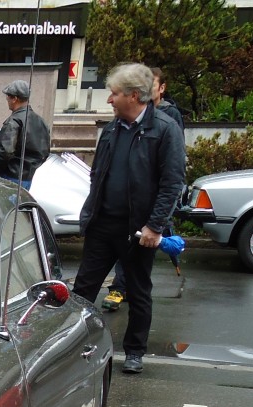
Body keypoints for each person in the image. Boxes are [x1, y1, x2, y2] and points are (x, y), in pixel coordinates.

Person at [72, 62, 186, 375]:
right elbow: (99, 176)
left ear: (134, 96)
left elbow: (172, 182)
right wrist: (89, 216)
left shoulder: (163, 130)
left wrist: (154, 226)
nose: (109, 100)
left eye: (114, 93)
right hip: (103, 223)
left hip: (138, 230)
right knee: (83, 290)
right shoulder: (111, 129)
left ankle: (134, 351)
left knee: (137, 292)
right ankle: (74, 346)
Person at [102, 66, 185, 312]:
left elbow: (172, 175)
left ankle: (135, 347)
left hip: (143, 216)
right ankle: (118, 287)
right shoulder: (116, 126)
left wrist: (157, 222)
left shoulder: (168, 122)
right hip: (112, 218)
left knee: (139, 282)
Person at [0, 80, 49, 188]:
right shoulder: (41, 121)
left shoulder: (14, 121)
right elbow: (44, 153)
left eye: (8, 96)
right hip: (27, 178)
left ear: (14, 99)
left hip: (9, 177)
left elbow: (6, 151)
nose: (6, 99)